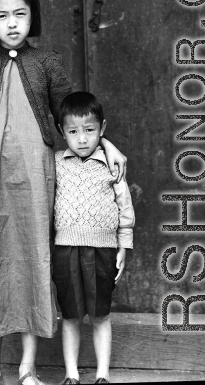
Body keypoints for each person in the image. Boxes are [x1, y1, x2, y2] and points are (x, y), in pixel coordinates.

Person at [0, 0, 128, 385]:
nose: (12, 24)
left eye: (20, 14)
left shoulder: (46, 63)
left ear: (32, 17)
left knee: (35, 260)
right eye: (2, 16)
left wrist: (109, 145)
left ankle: (27, 368)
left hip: (39, 177)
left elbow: (73, 114)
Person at [53, 92, 134, 385]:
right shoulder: (56, 164)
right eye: (73, 132)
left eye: (90, 130)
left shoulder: (112, 165)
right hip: (66, 249)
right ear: (62, 132)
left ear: (102, 128)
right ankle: (71, 375)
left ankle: (102, 375)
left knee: (100, 315)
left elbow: (125, 207)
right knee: (72, 316)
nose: (82, 139)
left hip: (103, 250)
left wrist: (124, 245)